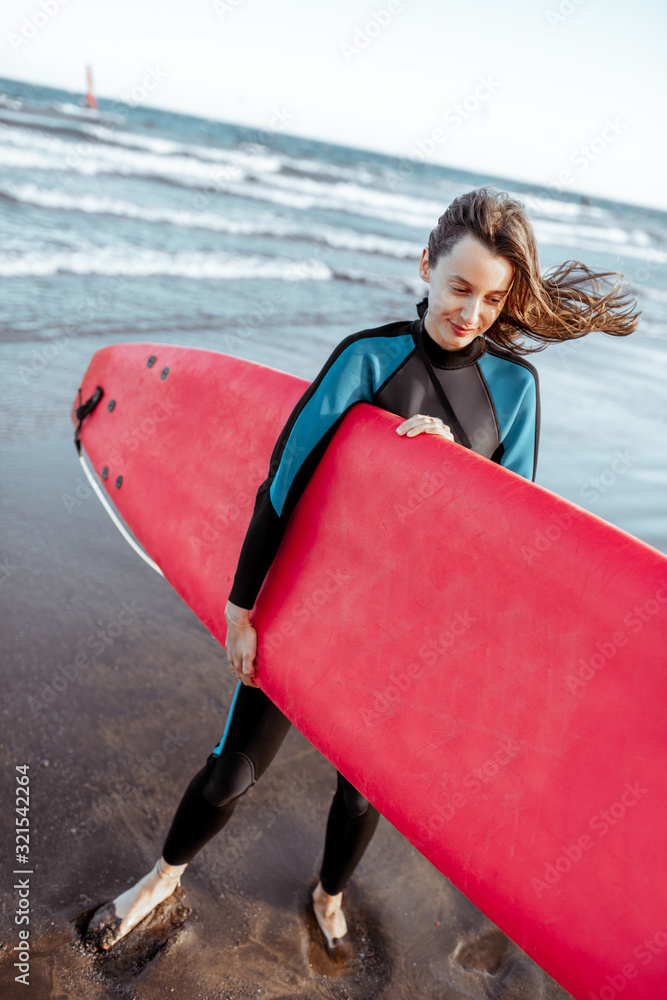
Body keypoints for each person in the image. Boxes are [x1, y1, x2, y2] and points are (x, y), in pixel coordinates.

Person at [89, 187, 639, 952]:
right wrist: (242, 608)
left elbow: (513, 545)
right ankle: (161, 877)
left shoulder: (514, 390)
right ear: (425, 264)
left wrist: (451, 475)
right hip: (311, 610)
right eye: (457, 287)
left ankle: (329, 892)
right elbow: (283, 482)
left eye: (491, 298)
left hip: (414, 638)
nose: (470, 312)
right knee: (231, 773)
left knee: (360, 795)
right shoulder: (368, 357)